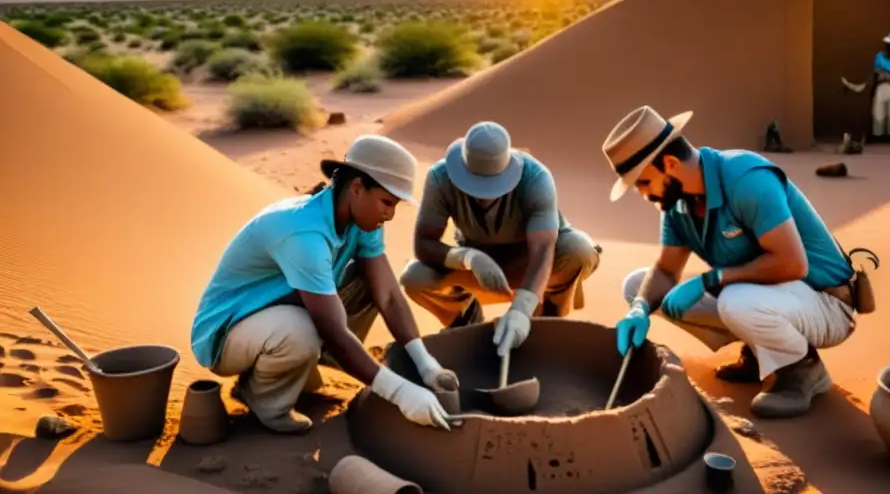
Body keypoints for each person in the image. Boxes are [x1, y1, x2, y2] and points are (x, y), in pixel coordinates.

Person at [603, 106, 860, 419]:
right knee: (638, 286)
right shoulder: (677, 205)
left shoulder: (745, 179)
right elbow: (667, 270)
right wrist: (640, 307)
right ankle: (760, 354)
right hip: (768, 297)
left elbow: (794, 264)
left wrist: (712, 279)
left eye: (643, 183)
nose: (643, 195)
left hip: (826, 303)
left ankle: (801, 369)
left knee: (736, 301)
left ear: (669, 164)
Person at [190, 135, 454, 434]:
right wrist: (400, 394)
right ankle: (265, 401)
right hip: (226, 333)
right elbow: (334, 330)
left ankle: (297, 364)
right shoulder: (304, 234)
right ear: (357, 188)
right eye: (387, 202)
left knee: (369, 283)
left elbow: (389, 295)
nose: (390, 214)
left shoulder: (361, 219)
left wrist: (425, 364)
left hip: (277, 311)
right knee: (300, 332)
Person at [400, 121, 601, 359]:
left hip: (532, 267)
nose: (484, 198)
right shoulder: (439, 178)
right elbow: (423, 244)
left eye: (494, 187)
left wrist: (521, 309)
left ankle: (546, 322)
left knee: (578, 250)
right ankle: (466, 322)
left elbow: (543, 250)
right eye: (474, 186)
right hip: (480, 270)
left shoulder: (536, 178)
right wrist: (467, 258)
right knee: (415, 277)